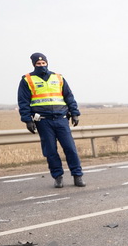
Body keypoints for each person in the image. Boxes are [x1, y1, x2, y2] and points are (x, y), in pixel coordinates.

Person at [17, 52, 85, 188]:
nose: (41, 65)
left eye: (43, 63)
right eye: (38, 64)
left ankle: (77, 176)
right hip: (43, 121)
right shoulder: (27, 80)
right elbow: (23, 102)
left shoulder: (58, 78)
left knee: (70, 148)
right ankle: (58, 177)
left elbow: (69, 97)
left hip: (61, 119)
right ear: (34, 64)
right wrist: (27, 120)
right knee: (50, 151)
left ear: (47, 63)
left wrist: (75, 113)